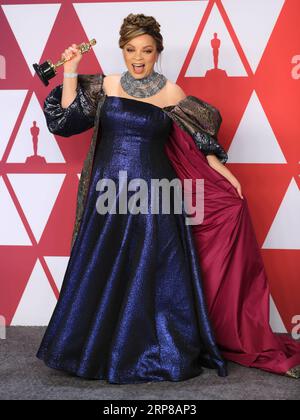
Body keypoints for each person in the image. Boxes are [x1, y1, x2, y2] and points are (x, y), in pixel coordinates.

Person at [37, 13, 300, 382]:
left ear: (158, 52)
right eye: (130, 49)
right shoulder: (107, 85)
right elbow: (65, 122)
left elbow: (198, 138)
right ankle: (98, 349)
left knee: (156, 274)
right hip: (108, 194)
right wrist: (71, 71)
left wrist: (222, 171)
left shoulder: (172, 92)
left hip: (157, 194)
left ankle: (153, 350)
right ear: (122, 51)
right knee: (104, 269)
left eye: (146, 50)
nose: (138, 57)